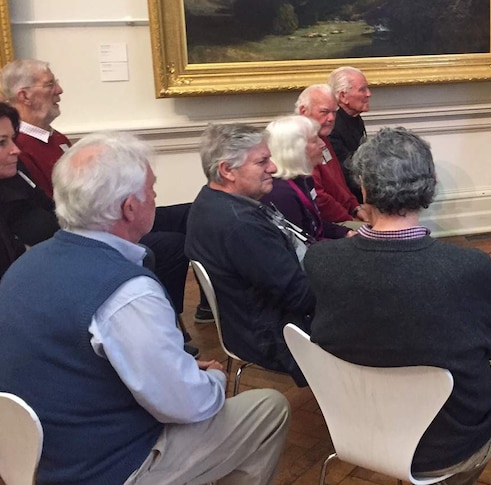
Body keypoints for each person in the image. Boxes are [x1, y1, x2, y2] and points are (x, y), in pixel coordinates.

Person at [0, 131, 289, 484]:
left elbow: (75, 358)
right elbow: (187, 405)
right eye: (151, 190)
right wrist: (211, 378)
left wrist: (174, 368)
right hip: (105, 468)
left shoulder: (25, 266)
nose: (155, 197)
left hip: (31, 459)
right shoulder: (125, 291)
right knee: (268, 409)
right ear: (130, 207)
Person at [305, 127, 491, 485]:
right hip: (445, 444)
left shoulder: (321, 261)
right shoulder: (467, 268)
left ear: (364, 189)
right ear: (431, 184)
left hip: (357, 425)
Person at [0, 58, 213, 326]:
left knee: (193, 213)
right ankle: (162, 322)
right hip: (90, 225)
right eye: (50, 84)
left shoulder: (54, 138)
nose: (60, 90)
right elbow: (59, 211)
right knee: (169, 245)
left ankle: (211, 304)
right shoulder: (22, 150)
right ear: (24, 96)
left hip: (100, 214)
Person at [186, 123, 315, 386]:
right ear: (227, 170)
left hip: (251, 324)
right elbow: (301, 297)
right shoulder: (240, 227)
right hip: (276, 337)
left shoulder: (210, 201)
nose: (273, 168)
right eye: (262, 162)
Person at [262, 115, 353, 242]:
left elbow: (314, 224)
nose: (323, 145)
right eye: (315, 140)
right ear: (297, 149)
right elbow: (299, 244)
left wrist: (346, 232)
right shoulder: (280, 194)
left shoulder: (304, 179)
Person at [295, 83, 369, 226]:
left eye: (334, 112)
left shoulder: (323, 136)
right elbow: (318, 197)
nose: (331, 118)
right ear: (304, 111)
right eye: (324, 112)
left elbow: (338, 183)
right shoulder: (301, 144)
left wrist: (355, 207)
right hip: (328, 224)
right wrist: (348, 218)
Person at [0, 102, 58, 278]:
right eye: (2, 143)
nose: (15, 150)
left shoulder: (16, 173)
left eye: (13, 139)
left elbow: (51, 209)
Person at [328, 66, 372, 203]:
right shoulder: (332, 127)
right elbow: (345, 172)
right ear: (343, 96)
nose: (368, 94)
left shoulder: (355, 118)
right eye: (362, 89)